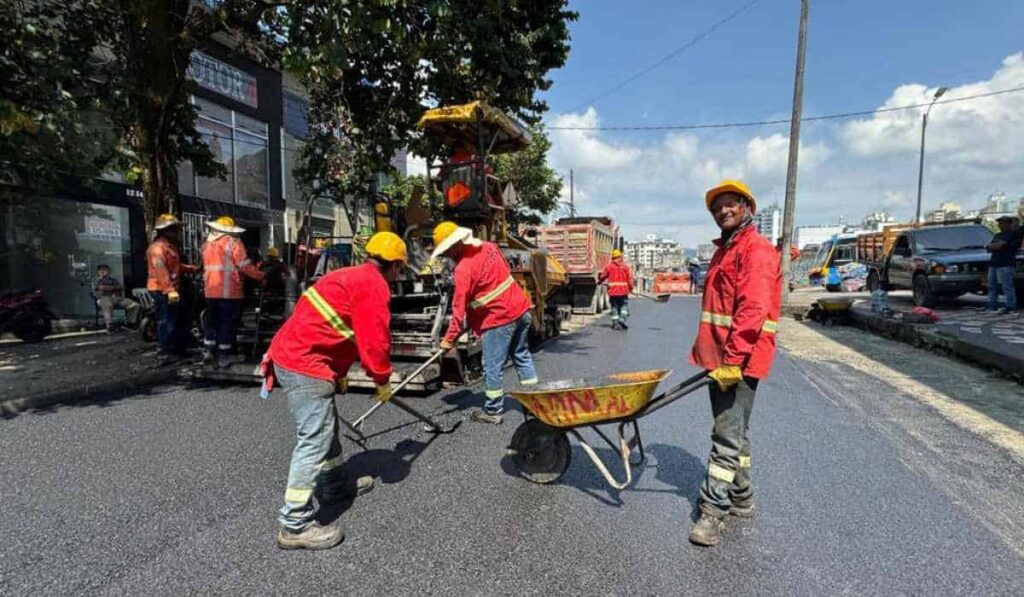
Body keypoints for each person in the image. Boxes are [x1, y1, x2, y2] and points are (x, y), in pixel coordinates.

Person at [262, 232, 406, 551]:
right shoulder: (373, 286)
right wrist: (382, 379)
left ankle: (335, 485)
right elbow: (374, 342)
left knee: (327, 429)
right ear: (395, 266)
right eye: (400, 269)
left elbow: (331, 328)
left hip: (298, 354)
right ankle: (294, 524)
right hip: (305, 363)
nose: (399, 276)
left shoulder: (346, 275)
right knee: (314, 439)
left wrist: (337, 373)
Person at [688, 180, 782, 547]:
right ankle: (742, 498)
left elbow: (753, 311)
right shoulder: (726, 249)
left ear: (747, 207)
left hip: (736, 361)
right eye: (717, 207)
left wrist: (733, 361)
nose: (723, 211)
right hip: (720, 357)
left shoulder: (755, 251)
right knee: (736, 431)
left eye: (730, 204)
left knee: (725, 436)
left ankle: (714, 511)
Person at [432, 221, 538, 425]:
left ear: (455, 245)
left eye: (446, 251)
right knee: (522, 356)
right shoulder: (489, 247)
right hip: (521, 310)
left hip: (498, 319)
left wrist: (448, 340)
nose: (447, 256)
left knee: (491, 367)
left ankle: (492, 410)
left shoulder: (463, 269)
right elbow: (504, 272)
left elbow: (458, 309)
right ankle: (534, 403)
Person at [201, 216, 264, 368]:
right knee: (227, 323)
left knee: (213, 322)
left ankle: (209, 352)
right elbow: (244, 265)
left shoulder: (207, 245)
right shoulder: (233, 242)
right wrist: (260, 275)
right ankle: (225, 355)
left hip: (211, 290)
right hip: (229, 292)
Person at [146, 214, 199, 364]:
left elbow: (175, 266)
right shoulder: (157, 248)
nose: (178, 232)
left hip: (171, 288)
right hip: (161, 289)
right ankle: (164, 351)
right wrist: (169, 290)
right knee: (166, 320)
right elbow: (161, 269)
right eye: (175, 229)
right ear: (167, 230)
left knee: (178, 319)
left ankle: (179, 349)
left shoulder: (170, 247)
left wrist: (193, 269)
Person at [984, 215, 1021, 314]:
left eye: (1002, 222)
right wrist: (993, 246)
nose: (1000, 225)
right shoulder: (997, 235)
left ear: (1008, 224)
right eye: (999, 223)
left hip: (1006, 264)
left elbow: (1000, 246)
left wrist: (994, 246)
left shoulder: (1012, 234)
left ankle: (1010, 306)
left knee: (1007, 286)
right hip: (994, 263)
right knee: (991, 286)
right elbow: (988, 247)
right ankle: (992, 305)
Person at [93, 264, 140, 332]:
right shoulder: (96, 280)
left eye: (105, 269)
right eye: (101, 270)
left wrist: (109, 288)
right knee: (107, 304)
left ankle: (130, 323)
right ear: (98, 272)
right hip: (103, 298)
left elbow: (121, 287)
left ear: (109, 271)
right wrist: (113, 288)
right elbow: (100, 287)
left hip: (117, 298)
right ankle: (109, 325)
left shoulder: (113, 280)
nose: (103, 271)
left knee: (135, 305)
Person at [599, 249, 634, 329]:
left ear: (613, 257)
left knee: (614, 306)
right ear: (620, 257)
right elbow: (630, 279)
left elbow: (602, 276)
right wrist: (631, 288)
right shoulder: (625, 267)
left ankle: (615, 323)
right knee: (624, 306)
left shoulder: (609, 267)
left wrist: (600, 281)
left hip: (613, 292)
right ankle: (622, 319)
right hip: (623, 291)